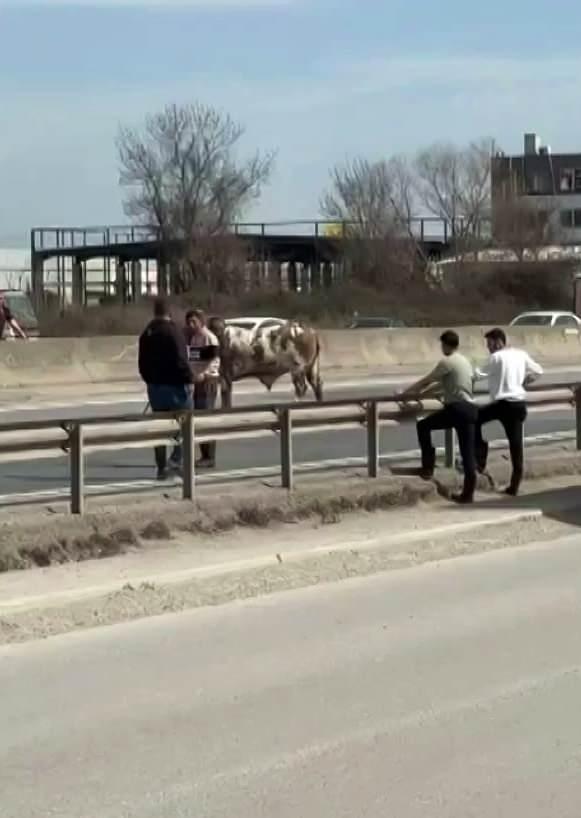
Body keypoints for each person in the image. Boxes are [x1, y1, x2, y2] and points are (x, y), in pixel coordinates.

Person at [397, 330, 477, 504]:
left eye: (442, 345)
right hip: (470, 409)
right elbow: (441, 385)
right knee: (467, 453)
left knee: (423, 426)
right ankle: (468, 494)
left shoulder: (446, 362)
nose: (441, 348)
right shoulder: (464, 361)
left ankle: (427, 468)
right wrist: (421, 394)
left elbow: (427, 380)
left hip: (456, 410)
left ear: (446, 345)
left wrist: (405, 394)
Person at [474, 328, 543, 496]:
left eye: (490, 345)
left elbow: (476, 375)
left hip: (503, 405)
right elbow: (539, 371)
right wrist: (525, 382)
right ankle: (514, 486)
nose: (489, 348)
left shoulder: (495, 357)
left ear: (499, 342)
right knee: (516, 445)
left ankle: (481, 456)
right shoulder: (521, 354)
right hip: (519, 405)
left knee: (473, 419)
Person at [138, 297, 193, 480]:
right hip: (176, 386)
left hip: (155, 387)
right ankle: (176, 461)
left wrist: (150, 380)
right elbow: (180, 359)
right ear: (170, 312)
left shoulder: (147, 332)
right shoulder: (173, 331)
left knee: (159, 428)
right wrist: (189, 379)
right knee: (183, 425)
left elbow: (142, 363)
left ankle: (161, 466)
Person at [184, 309, 221, 468]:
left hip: (208, 381)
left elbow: (212, 360)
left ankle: (209, 456)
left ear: (201, 321)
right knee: (198, 418)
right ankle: (204, 454)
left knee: (206, 418)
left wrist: (204, 374)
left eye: (194, 321)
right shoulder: (195, 338)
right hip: (197, 381)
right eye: (189, 322)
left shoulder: (208, 337)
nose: (191, 325)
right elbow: (194, 360)